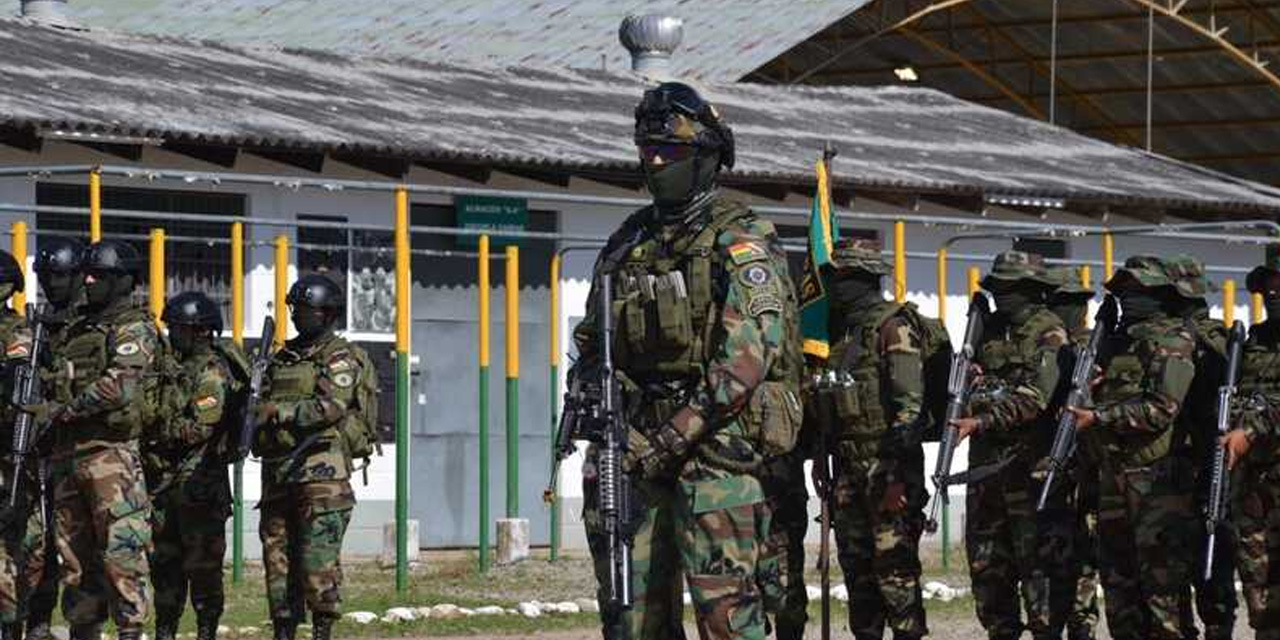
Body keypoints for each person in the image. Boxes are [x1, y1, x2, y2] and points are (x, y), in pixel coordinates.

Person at [572, 80, 803, 640]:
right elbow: (593, 339)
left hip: (717, 451)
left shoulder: (741, 238)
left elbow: (744, 363)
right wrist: (595, 405)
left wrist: (671, 439)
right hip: (635, 450)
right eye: (647, 151)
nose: (655, 162)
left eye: (669, 152)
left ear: (706, 157)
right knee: (629, 616)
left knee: (726, 617)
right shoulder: (629, 241)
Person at [1066, 255, 1197, 640]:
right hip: (1113, 479)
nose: (1129, 298)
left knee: (1163, 594)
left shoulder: (1173, 340)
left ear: (1159, 294)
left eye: (1137, 291)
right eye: (1124, 291)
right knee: (1120, 591)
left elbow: (1162, 409)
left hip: (1157, 485)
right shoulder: (1112, 344)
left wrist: (1100, 417)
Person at [812, 238, 929, 640]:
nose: (836, 286)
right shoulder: (843, 335)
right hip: (849, 473)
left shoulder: (892, 327)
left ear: (863, 279)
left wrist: (896, 479)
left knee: (895, 577)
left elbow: (909, 410)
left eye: (843, 278)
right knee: (859, 578)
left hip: (888, 472)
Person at [44, 240, 158, 640]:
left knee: (122, 553)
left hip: (112, 459)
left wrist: (59, 412)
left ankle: (130, 630)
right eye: (86, 274)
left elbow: (120, 387)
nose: (87, 280)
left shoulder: (134, 327)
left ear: (122, 281)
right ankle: (83, 630)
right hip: (68, 458)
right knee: (74, 559)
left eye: (98, 276)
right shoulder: (74, 330)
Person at [950, 251, 1067, 640]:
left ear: (1031, 290)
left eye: (1010, 288)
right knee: (988, 574)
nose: (1002, 296)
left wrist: (983, 418)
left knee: (1039, 578)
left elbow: (1036, 398)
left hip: (1028, 472)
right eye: (998, 287)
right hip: (985, 474)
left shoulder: (1049, 332)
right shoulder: (987, 331)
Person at [254, 273, 373, 640]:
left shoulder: (339, 357)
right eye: (295, 308)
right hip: (279, 473)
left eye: (304, 309)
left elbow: (332, 407)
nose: (296, 315)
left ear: (325, 313)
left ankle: (322, 630)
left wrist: (279, 412)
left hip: (322, 476)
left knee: (316, 563)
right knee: (278, 561)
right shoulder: (281, 358)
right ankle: (284, 629)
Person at [145, 292, 238, 640]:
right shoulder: (172, 369)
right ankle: (165, 630)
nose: (172, 335)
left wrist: (155, 431)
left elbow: (200, 427)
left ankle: (205, 631)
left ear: (201, 331)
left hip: (200, 488)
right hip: (165, 487)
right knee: (165, 567)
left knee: (203, 570)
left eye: (179, 329)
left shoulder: (212, 372)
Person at [1162, 255, 1236, 640]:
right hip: (1177, 464)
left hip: (1206, 461)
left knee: (1211, 555)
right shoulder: (1177, 338)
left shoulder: (1214, 342)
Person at [25, 236, 86, 640]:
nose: (52, 283)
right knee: (39, 544)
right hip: (43, 451)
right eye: (46, 276)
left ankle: (85, 626)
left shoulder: (92, 321)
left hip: (85, 452)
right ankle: (39, 624)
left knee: (81, 549)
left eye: (59, 275)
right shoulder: (41, 322)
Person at [1222, 250, 1280, 640]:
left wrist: (1253, 428)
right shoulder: (1252, 340)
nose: (1274, 291)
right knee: (1260, 595)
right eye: (1270, 283)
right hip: (1253, 487)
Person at [1042, 267, 1100, 640]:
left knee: (1080, 565)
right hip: (1058, 469)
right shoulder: (1054, 349)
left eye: (1069, 303)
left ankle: (1080, 625)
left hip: (1087, 472)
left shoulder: (1095, 349)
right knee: (1061, 563)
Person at [0, 251, 38, 640]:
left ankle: (13, 626)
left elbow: (18, 387)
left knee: (10, 548)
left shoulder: (17, 332)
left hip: (7, 456)